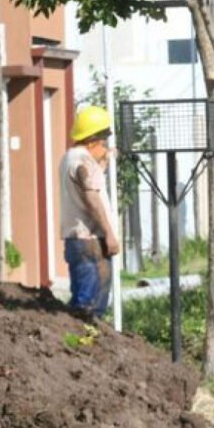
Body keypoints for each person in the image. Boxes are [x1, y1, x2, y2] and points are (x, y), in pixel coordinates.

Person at [60, 105, 120, 320]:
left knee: (82, 298)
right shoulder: (84, 162)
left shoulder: (71, 158)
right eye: (103, 141)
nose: (105, 146)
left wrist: (102, 163)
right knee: (90, 306)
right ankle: (86, 344)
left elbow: (85, 183)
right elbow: (91, 198)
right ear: (93, 140)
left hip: (76, 239)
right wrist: (110, 234)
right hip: (91, 240)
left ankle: (83, 340)